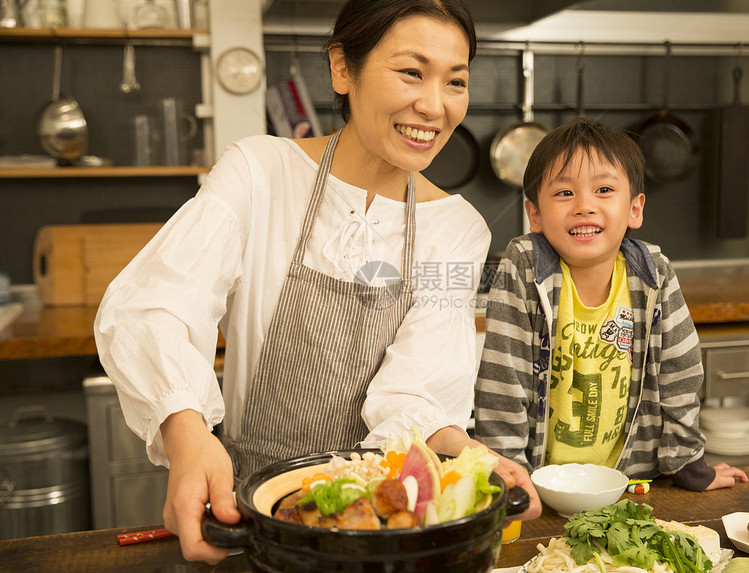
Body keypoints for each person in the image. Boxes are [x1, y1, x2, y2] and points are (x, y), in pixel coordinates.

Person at [94, 0, 490, 564]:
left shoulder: (457, 230)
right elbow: (154, 306)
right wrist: (187, 435)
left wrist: (469, 454)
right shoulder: (259, 173)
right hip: (250, 517)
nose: (434, 105)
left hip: (382, 528)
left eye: (456, 81)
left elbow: (417, 392)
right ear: (342, 69)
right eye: (411, 71)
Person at [434, 117, 748, 518]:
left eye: (603, 190)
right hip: (538, 488)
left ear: (634, 208)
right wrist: (507, 478)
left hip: (630, 486)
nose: (584, 205)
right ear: (535, 215)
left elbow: (681, 374)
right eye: (564, 192)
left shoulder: (653, 272)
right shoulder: (525, 267)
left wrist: (687, 463)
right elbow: (504, 381)